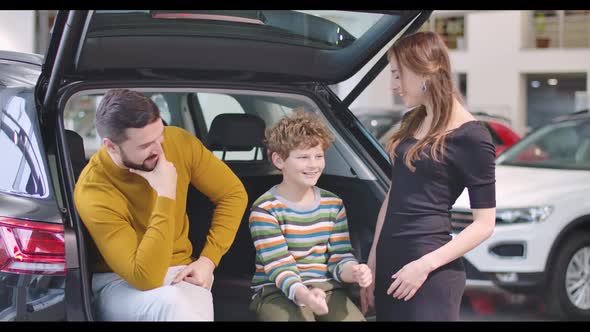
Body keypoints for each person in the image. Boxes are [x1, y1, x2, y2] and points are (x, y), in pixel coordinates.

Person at [74, 89, 248, 321]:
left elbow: (233, 194)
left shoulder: (179, 142)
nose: (159, 148)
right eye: (146, 145)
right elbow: (145, 277)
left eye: (160, 136)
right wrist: (165, 194)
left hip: (181, 271)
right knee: (174, 304)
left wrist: (208, 260)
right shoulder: (94, 189)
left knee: (182, 305)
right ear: (111, 146)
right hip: (118, 282)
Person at [359, 31, 497, 321]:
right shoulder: (414, 120)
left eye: (398, 75)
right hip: (390, 264)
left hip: (429, 272)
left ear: (425, 69)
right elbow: (395, 194)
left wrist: (424, 266)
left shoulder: (472, 136)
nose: (393, 85)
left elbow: (484, 224)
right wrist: (373, 258)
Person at [248, 110, 372, 321]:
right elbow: (279, 266)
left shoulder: (332, 204)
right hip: (275, 291)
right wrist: (305, 295)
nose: (314, 165)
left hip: (327, 288)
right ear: (279, 161)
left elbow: (339, 256)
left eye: (319, 156)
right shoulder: (266, 208)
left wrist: (354, 271)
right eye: (303, 157)